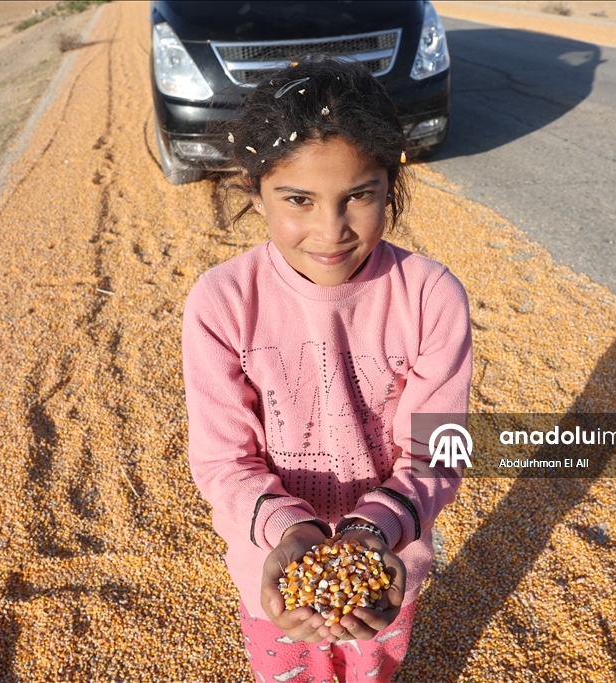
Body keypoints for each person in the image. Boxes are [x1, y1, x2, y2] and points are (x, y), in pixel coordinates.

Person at [182, 58, 472, 683]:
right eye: (299, 199)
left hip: (388, 560)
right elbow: (222, 459)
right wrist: (289, 533)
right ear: (255, 192)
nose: (330, 229)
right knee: (286, 672)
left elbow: (438, 452)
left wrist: (376, 530)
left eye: (359, 196)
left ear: (390, 185)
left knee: (373, 667)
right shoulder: (223, 301)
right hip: (272, 561)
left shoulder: (429, 295)